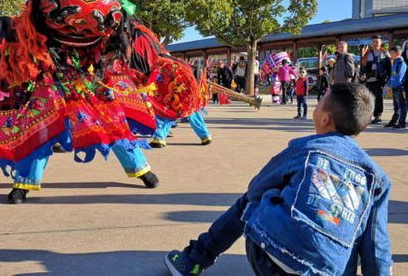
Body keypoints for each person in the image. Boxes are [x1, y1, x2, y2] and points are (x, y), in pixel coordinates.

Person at [0, 0, 199, 203]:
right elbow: (2, 47)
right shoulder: (29, 30)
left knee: (112, 124)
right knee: (40, 129)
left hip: (88, 82)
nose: (77, 28)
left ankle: (140, 169)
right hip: (49, 82)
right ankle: (25, 183)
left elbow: (137, 45)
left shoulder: (108, 36)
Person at [165, 83, 392, 276]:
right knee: (350, 230)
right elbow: (376, 244)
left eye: (320, 100)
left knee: (253, 200)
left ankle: (193, 261)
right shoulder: (378, 178)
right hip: (326, 271)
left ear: (325, 118)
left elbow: (256, 189)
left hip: (272, 260)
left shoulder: (306, 148)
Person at [360, 36, 391, 124]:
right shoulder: (367, 54)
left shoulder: (385, 53)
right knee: (369, 98)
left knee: (378, 98)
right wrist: (362, 75)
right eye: (374, 42)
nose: (375, 43)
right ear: (371, 43)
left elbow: (389, 68)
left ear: (381, 43)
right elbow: (363, 67)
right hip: (370, 80)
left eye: (377, 42)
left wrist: (388, 80)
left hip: (380, 79)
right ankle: (369, 115)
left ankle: (378, 116)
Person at [385, 46, 407, 129]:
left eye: (392, 53)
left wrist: (391, 86)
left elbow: (399, 78)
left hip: (399, 87)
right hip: (394, 87)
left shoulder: (401, 63)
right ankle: (394, 121)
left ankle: (402, 123)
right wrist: (389, 84)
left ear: (398, 53)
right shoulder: (395, 62)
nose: (390, 55)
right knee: (396, 106)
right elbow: (392, 76)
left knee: (401, 106)